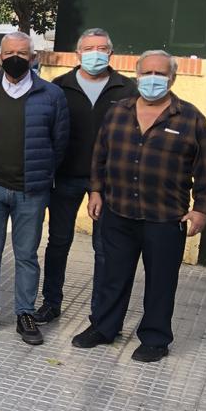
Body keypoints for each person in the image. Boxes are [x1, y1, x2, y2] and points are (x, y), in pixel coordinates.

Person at [74, 50, 206, 363]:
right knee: (113, 275)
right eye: (147, 73)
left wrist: (201, 209)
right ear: (137, 76)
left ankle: (155, 338)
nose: (152, 79)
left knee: (161, 281)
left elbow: (205, 169)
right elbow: (100, 155)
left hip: (165, 218)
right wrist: (95, 191)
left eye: (160, 74)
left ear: (173, 78)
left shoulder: (191, 118)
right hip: (118, 211)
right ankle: (104, 327)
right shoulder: (118, 111)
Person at [0, 32, 68, 346]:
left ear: (33, 57)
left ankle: (25, 312)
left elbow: (60, 144)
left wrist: (41, 176)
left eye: (23, 53)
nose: (15, 58)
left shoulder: (52, 95)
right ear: (0, 56)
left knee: (26, 255)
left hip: (31, 191)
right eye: (10, 52)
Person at [37, 28, 135, 325]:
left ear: (111, 53)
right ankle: (51, 302)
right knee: (58, 242)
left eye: (102, 48)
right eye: (89, 48)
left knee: (104, 249)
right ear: (78, 54)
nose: (96, 53)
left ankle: (101, 313)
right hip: (65, 178)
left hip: (107, 184)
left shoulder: (127, 90)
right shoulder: (59, 87)